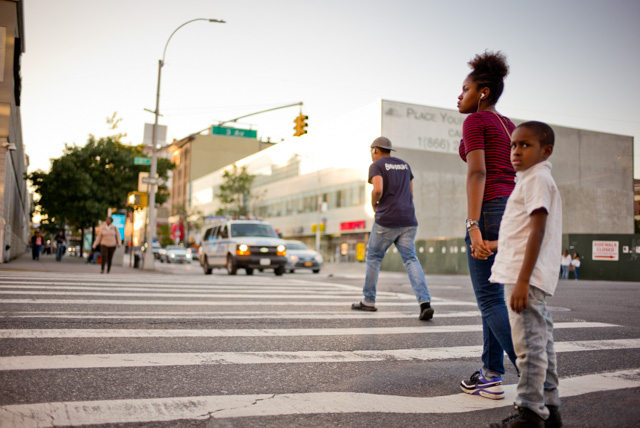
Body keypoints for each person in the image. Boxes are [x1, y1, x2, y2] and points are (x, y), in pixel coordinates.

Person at [485, 121, 563, 427]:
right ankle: (550, 408)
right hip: (528, 277)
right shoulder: (533, 178)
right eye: (513, 145)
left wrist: (521, 279)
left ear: (546, 151)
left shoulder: (536, 178)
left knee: (529, 347)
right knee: (542, 344)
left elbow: (537, 228)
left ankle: (529, 413)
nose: (516, 150)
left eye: (525, 145)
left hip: (525, 279)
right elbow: (520, 230)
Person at [457, 50, 517, 399]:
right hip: (512, 207)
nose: (459, 95)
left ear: (483, 92)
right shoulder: (509, 125)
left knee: (489, 299)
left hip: (490, 208)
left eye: (464, 88)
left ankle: (531, 373)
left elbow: (478, 172)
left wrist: (473, 224)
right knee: (493, 298)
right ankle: (491, 374)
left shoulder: (475, 121)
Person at [351, 136, 434, 321]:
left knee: (373, 258)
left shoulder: (377, 165)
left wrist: (374, 204)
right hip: (408, 220)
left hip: (387, 220)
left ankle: (369, 301)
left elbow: (378, 189)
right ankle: (425, 303)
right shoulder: (405, 165)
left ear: (375, 150)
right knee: (411, 260)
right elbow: (410, 194)